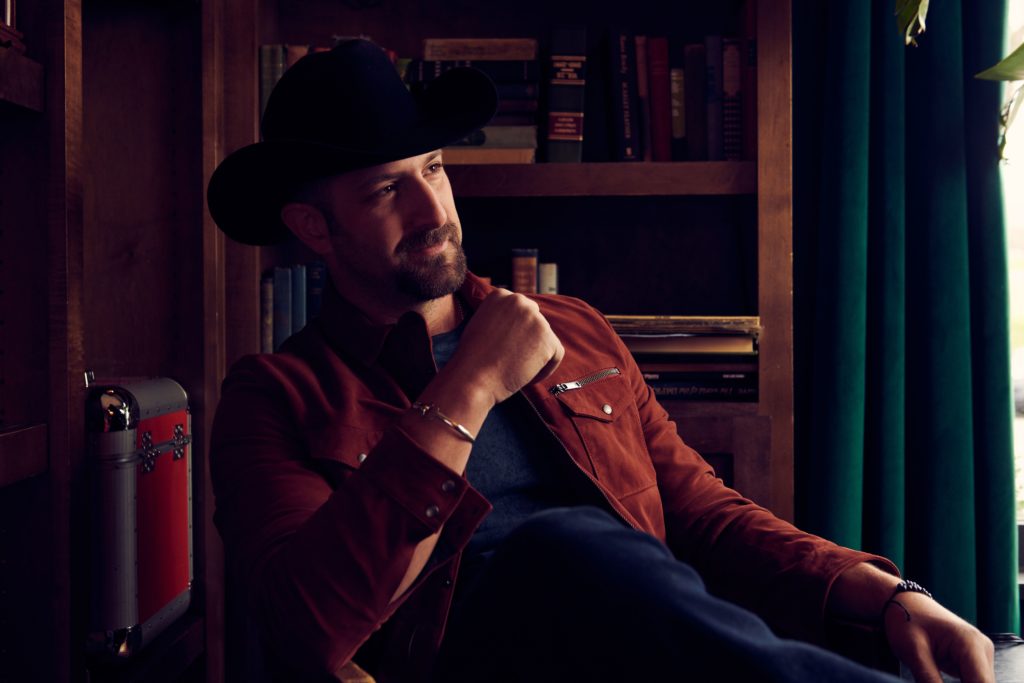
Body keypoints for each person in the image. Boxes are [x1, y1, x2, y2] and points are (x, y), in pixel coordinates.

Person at [206, 39, 995, 683]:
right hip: (476, 661)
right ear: (313, 228)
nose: (432, 209)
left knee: (627, 569)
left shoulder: (573, 329)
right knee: (563, 548)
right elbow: (307, 625)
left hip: (648, 639)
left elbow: (705, 518)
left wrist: (885, 593)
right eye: (385, 190)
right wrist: (471, 382)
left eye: (435, 169)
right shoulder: (274, 397)